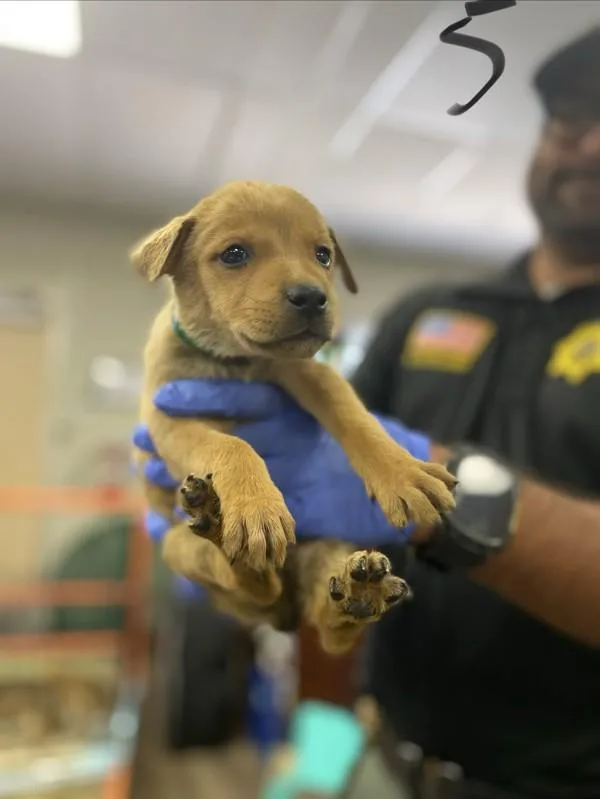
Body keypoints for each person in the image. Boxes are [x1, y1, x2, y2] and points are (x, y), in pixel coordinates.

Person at [133, 29, 600, 799]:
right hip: (386, 761)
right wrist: (316, 747)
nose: (584, 145)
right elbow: (311, 503)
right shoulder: (429, 313)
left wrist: (454, 501)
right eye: (566, 120)